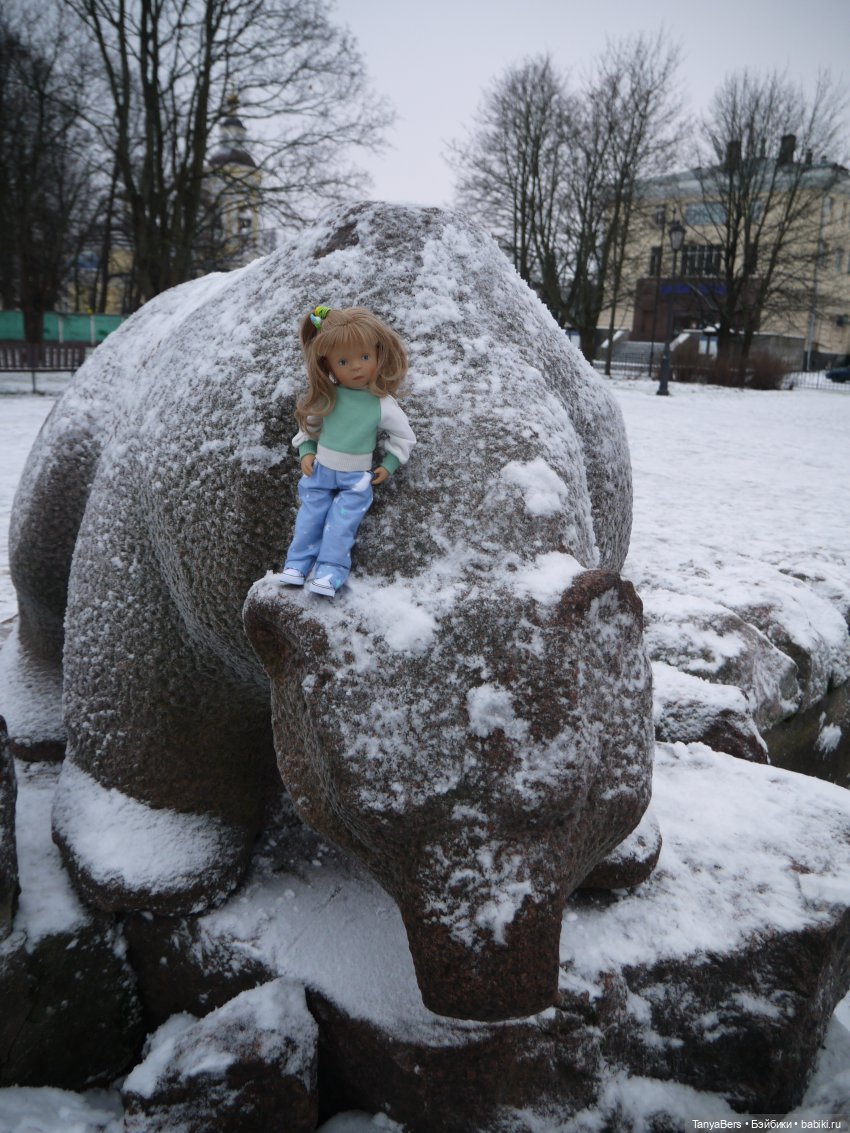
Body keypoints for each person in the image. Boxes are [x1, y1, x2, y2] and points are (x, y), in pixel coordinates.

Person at [277, 305, 416, 597]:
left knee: (341, 526)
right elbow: (309, 427)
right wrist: (306, 451)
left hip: (356, 478)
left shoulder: (382, 404)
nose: (356, 367)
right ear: (328, 365)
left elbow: (404, 436)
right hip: (320, 471)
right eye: (344, 361)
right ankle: (297, 564)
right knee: (310, 518)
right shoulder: (328, 395)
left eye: (365, 357)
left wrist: (389, 463)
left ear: (378, 354)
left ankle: (330, 572)